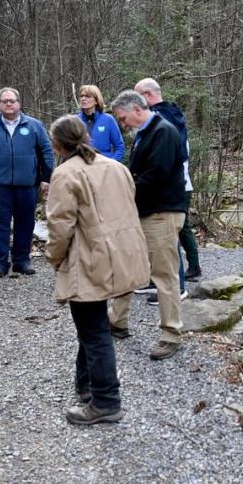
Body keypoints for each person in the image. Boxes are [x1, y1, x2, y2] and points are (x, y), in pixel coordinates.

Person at [45, 115, 149, 425]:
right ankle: (86, 385)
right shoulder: (116, 167)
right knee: (92, 326)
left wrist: (55, 258)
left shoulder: (65, 174)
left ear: (57, 145)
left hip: (89, 258)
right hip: (122, 255)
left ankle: (105, 400)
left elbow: (59, 226)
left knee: (93, 330)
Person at [108, 89, 188, 360]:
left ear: (137, 109)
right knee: (127, 267)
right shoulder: (145, 133)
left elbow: (157, 175)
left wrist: (125, 190)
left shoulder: (163, 131)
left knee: (164, 276)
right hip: (144, 212)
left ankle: (171, 334)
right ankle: (116, 321)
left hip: (162, 214)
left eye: (123, 118)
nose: (123, 124)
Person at [0, 87, 54, 278]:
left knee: (25, 223)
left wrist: (46, 178)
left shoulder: (34, 125)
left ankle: (22, 261)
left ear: (19, 103)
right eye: (4, 101)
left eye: (12, 101)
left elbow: (46, 152)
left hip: (28, 185)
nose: (9, 104)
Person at [134, 78, 202, 282]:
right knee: (179, 232)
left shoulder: (162, 121)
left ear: (148, 95)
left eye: (137, 96)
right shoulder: (169, 116)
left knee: (171, 236)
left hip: (174, 187)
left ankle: (177, 281)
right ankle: (183, 271)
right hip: (176, 185)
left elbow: (166, 161)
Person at [76, 84, 124, 161]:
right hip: (82, 166)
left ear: (96, 100)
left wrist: (111, 164)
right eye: (81, 96)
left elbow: (119, 147)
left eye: (87, 96)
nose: (83, 99)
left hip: (104, 165)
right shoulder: (75, 120)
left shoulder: (108, 119)